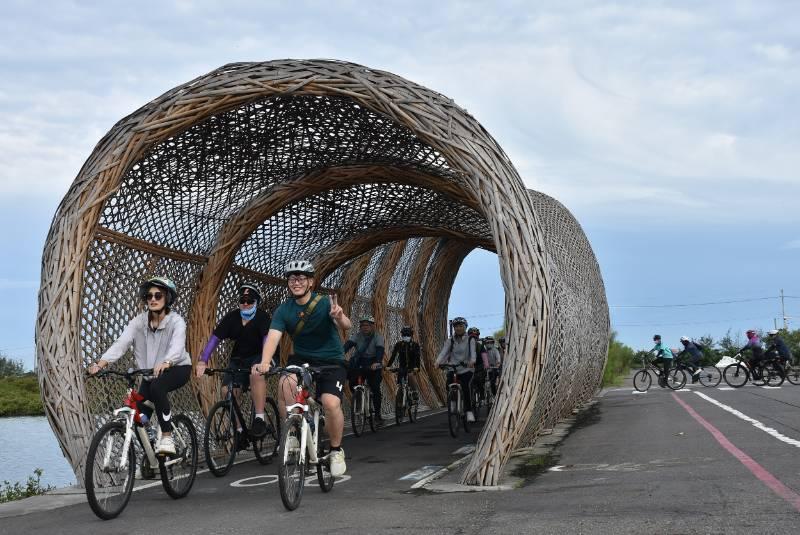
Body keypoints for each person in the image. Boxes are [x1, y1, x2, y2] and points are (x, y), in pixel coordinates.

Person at [253, 260, 351, 476]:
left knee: (330, 402)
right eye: (291, 278)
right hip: (303, 358)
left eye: (301, 278)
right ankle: (295, 433)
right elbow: (273, 337)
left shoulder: (325, 304)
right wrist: (265, 361)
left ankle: (336, 450)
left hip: (331, 359)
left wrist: (339, 316)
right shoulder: (283, 310)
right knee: (285, 384)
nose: (296, 282)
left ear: (310, 282)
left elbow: (347, 325)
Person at [88, 277, 192, 456]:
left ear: (167, 298)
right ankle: (152, 458)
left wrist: (167, 362)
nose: (152, 299)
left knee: (158, 387)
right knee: (137, 418)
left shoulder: (177, 322)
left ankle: (167, 436)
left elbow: (177, 345)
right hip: (149, 374)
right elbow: (122, 343)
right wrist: (100, 363)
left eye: (158, 295)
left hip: (177, 368)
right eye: (149, 295)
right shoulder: (138, 322)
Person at [196, 283, 274, 449]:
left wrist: (264, 362)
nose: (245, 304)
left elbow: (267, 340)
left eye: (249, 300)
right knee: (227, 390)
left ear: (256, 301)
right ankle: (239, 431)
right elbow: (215, 339)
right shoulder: (232, 317)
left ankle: (260, 418)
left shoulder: (262, 317)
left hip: (261, 355)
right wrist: (203, 360)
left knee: (256, 375)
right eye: (242, 300)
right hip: (239, 358)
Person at [344, 316, 386, 423]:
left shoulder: (377, 337)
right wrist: (338, 355)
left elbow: (380, 351)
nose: (365, 327)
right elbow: (347, 346)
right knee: (352, 383)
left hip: (373, 362)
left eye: (367, 325)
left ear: (372, 326)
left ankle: (377, 414)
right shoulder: (357, 336)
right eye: (362, 325)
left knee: (375, 387)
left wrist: (377, 362)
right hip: (360, 362)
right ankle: (358, 399)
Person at [435, 317, 477, 422]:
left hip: (466, 368)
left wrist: (472, 361)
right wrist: (437, 362)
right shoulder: (451, 340)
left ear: (465, 327)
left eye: (460, 326)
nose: (458, 328)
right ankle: (453, 403)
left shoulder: (470, 339)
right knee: (448, 384)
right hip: (453, 367)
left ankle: (468, 411)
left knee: (465, 386)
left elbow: (473, 353)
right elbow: (444, 352)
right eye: (456, 326)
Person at [387, 325, 421, 397]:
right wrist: (388, 366)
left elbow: (418, 357)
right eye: (404, 335)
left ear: (411, 335)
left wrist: (417, 367)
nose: (406, 336)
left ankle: (414, 392)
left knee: (410, 375)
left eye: (407, 335)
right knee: (399, 381)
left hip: (412, 367)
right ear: (401, 335)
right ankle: (400, 398)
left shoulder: (415, 345)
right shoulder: (398, 344)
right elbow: (393, 355)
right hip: (402, 366)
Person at [468, 327, 489, 405]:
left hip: (479, 366)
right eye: (471, 336)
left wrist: (486, 365)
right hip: (468, 367)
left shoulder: (481, 346)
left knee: (479, 380)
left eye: (475, 336)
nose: (473, 338)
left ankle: (482, 397)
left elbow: (484, 357)